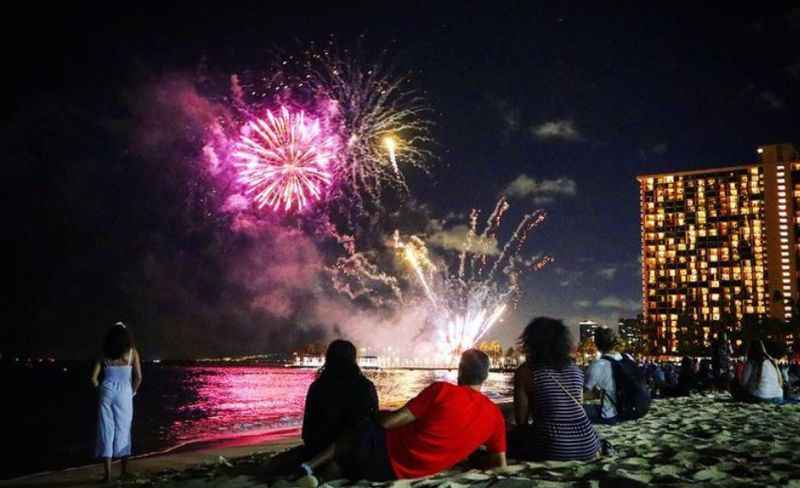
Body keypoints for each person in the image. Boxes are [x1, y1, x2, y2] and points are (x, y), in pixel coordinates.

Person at [294, 349, 507, 485]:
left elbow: (388, 423)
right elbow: (499, 464)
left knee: (360, 430)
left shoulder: (442, 390)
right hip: (413, 472)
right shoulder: (495, 416)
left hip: (388, 456)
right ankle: (331, 470)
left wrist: (380, 415)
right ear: (485, 376)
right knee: (352, 456)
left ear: (460, 370)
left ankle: (311, 467)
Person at [263, 340, 378, 478]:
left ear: (328, 358)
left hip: (319, 448)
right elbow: (373, 422)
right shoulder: (366, 386)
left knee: (276, 464)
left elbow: (307, 433)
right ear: (353, 359)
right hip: (357, 450)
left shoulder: (317, 387)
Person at [511, 317, 600, 461]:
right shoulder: (575, 369)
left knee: (510, 437)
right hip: (588, 443)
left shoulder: (526, 371)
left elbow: (521, 421)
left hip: (554, 447)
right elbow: (577, 405)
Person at [91, 322, 142, 482]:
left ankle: (107, 475)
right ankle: (123, 472)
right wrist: (132, 392)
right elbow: (139, 377)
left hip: (106, 391)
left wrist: (102, 390)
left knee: (106, 430)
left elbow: (93, 378)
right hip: (125, 393)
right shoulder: (132, 353)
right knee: (124, 429)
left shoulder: (104, 353)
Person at [583, 327, 621, 424]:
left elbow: (585, 392)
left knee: (579, 410)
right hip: (629, 411)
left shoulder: (597, 364)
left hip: (610, 415)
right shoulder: (626, 359)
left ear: (597, 344)